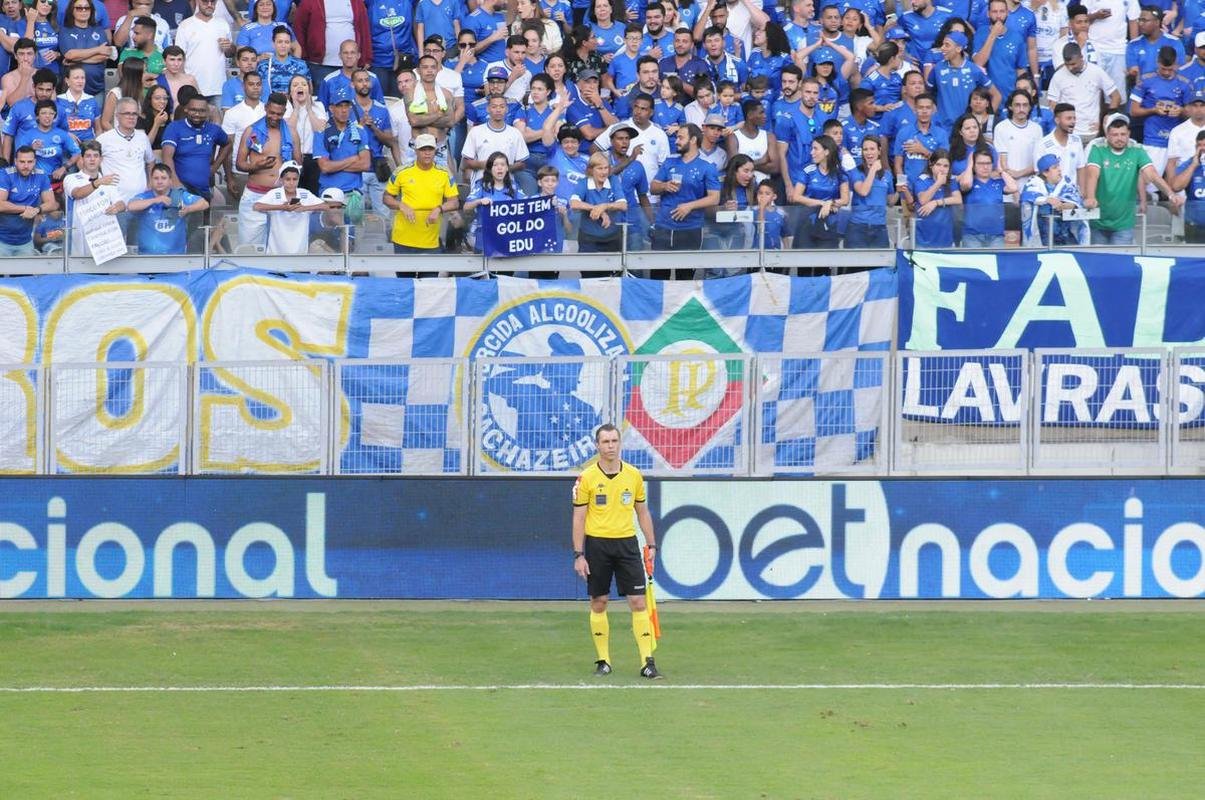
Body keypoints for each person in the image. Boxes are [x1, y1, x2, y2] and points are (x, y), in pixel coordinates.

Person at [571, 422, 661, 680]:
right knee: (599, 601)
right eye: (605, 442)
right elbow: (579, 518)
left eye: (614, 441)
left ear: (620, 444)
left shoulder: (633, 475)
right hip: (597, 546)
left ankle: (647, 662)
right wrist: (579, 555)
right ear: (597, 446)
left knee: (638, 601)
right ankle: (603, 661)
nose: (610, 446)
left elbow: (642, 512)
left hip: (627, 545)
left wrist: (651, 545)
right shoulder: (587, 478)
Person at [1083, 114, 1182, 243]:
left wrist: (1170, 194)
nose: (1119, 138)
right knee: (1098, 256)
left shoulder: (1137, 150)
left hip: (1124, 223)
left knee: (1122, 256)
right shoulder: (1097, 149)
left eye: (1123, 134)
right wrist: (1090, 197)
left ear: (1129, 134)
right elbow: (1092, 174)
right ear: (1107, 135)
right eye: (1115, 135)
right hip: (1097, 220)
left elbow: (1152, 174)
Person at [236, 91, 299, 246]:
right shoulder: (251, 131)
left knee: (281, 246)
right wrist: (256, 166)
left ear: (284, 112)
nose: (275, 117)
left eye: (279, 114)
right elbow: (239, 164)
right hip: (255, 194)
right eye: (271, 113)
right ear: (265, 108)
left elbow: (298, 164)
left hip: (281, 196)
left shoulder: (292, 133)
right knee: (249, 246)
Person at [382, 133, 460, 254]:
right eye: (423, 149)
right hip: (403, 239)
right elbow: (386, 197)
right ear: (416, 151)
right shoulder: (402, 172)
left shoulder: (444, 173)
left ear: (435, 151)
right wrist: (401, 205)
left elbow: (454, 202)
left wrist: (439, 209)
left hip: (431, 239)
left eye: (430, 149)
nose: (427, 153)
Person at [650, 122, 720, 253]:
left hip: (691, 228)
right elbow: (653, 188)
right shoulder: (669, 162)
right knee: (658, 266)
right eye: (677, 137)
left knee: (687, 267)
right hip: (663, 226)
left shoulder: (707, 166)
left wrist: (690, 206)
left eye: (680, 138)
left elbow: (714, 198)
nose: (676, 141)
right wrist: (664, 186)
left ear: (693, 140)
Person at [313, 85, 370, 224]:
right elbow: (325, 167)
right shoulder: (321, 132)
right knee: (331, 234)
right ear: (331, 108)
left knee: (353, 235)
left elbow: (365, 164)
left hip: (353, 193)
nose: (344, 110)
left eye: (347, 106)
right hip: (330, 194)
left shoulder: (359, 131)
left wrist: (335, 166)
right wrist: (353, 159)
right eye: (339, 106)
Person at [1046, 43, 1122, 143]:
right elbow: (1052, 104)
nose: (1070, 68)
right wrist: (1063, 124)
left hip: (1092, 133)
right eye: (1067, 64)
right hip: (1069, 135)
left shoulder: (1096, 71)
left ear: (1081, 57)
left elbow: (1116, 96)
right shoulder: (1058, 76)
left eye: (1073, 64)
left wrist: (1105, 119)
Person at [162, 92, 230, 204]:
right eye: (193, 110)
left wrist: (215, 167)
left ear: (207, 112)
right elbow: (167, 158)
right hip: (181, 189)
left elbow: (227, 144)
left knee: (202, 215)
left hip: (203, 190)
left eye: (202, 111)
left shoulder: (213, 130)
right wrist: (176, 184)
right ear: (186, 109)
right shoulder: (174, 127)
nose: (197, 114)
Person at [126, 162, 208, 253]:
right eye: (156, 178)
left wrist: (189, 208)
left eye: (163, 178)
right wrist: (155, 200)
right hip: (146, 256)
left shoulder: (179, 195)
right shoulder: (145, 196)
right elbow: (131, 206)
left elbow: (204, 203)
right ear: (151, 181)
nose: (159, 181)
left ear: (170, 181)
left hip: (176, 256)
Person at [63, 140, 125, 257]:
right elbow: (77, 193)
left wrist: (117, 207)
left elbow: (121, 203)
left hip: (104, 239)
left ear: (101, 159)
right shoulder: (71, 178)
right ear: (82, 158)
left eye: (96, 156)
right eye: (88, 156)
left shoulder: (108, 181)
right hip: (80, 238)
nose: (92, 159)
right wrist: (97, 183)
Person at [462, 94, 533, 192]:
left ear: (507, 109)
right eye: (494, 106)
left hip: (507, 188)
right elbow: (466, 162)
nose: (498, 110)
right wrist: (487, 165)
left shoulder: (515, 133)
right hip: (481, 187)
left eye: (502, 106)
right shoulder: (475, 132)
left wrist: (504, 168)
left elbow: (522, 163)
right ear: (488, 109)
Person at [253, 160, 328, 253]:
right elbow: (256, 206)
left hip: (300, 250)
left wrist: (304, 208)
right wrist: (282, 207)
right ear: (281, 180)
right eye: (288, 179)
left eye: (295, 179)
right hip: (276, 251)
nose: (291, 183)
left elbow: (326, 206)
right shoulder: (274, 193)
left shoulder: (305, 194)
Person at [791, 133, 849, 248]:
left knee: (826, 258)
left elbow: (845, 200)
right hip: (807, 222)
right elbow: (796, 196)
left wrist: (830, 202)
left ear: (826, 152)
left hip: (829, 223)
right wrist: (823, 203)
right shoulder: (808, 171)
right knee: (804, 258)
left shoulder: (840, 173)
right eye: (812, 148)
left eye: (815, 149)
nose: (811, 152)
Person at [1021, 152, 1091, 243]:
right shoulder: (1033, 183)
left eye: (1058, 166)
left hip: (1065, 237)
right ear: (1045, 172)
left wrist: (1070, 205)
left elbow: (1076, 200)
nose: (1059, 170)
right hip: (1042, 238)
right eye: (1055, 168)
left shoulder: (1066, 182)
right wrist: (1047, 200)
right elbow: (1028, 197)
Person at [463, 151, 525, 252]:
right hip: (484, 241)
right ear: (490, 168)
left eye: (502, 165)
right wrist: (479, 201)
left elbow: (528, 205)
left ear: (507, 168)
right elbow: (466, 207)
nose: (499, 168)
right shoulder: (481, 185)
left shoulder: (514, 186)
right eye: (495, 165)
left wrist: (547, 201)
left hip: (507, 240)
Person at [96, 96, 155, 203]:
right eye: (127, 113)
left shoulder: (143, 137)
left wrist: (150, 184)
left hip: (140, 200)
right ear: (117, 115)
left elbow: (150, 161)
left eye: (134, 114)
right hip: (114, 201)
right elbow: (86, 161)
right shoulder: (103, 139)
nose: (131, 117)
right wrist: (98, 182)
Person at [0, 145, 55, 256]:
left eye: (30, 162)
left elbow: (51, 204)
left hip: (25, 241)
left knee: (27, 268)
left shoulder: (41, 176)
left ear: (35, 162)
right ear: (15, 161)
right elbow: (0, 204)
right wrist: (25, 208)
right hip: (2, 241)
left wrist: (36, 210)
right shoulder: (5, 174)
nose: (26, 166)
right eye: (22, 162)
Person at [174, 0, 233, 102]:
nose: (209, 5)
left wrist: (228, 47)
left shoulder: (223, 24)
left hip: (218, 87)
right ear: (197, 1)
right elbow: (179, 58)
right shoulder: (185, 25)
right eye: (205, 1)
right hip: (192, 87)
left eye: (213, 2)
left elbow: (230, 54)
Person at [959, 146, 1020, 246]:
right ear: (974, 165)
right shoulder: (970, 182)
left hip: (996, 235)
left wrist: (1000, 170)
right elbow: (965, 184)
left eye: (988, 163)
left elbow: (1014, 187)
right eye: (980, 163)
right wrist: (969, 166)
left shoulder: (998, 183)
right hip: (972, 235)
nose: (985, 167)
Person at [570, 150, 627, 251]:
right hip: (588, 238)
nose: (604, 172)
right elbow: (574, 204)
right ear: (591, 170)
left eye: (606, 168)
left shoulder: (613, 180)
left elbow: (623, 205)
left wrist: (604, 206)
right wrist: (599, 210)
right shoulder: (584, 182)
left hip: (612, 237)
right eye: (600, 168)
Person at [845, 134, 895, 248]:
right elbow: (863, 191)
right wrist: (873, 169)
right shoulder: (856, 172)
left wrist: (901, 191)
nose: (868, 152)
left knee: (881, 259)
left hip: (880, 227)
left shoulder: (887, 174)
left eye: (872, 149)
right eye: (865, 149)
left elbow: (891, 201)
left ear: (879, 151)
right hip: (858, 226)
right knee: (856, 260)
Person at [910, 148, 961, 247]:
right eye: (938, 165)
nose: (942, 169)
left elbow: (958, 199)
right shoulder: (922, 180)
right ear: (931, 165)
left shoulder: (951, 180)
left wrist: (936, 203)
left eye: (945, 166)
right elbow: (923, 200)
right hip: (924, 237)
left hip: (945, 236)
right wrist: (938, 183)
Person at [58, 0, 110, 96]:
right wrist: (98, 49)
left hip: (96, 88)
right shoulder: (65, 31)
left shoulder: (99, 30)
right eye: (79, 8)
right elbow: (70, 54)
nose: (83, 10)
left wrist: (77, 59)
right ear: (72, 10)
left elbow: (104, 55)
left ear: (91, 10)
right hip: (72, 90)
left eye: (87, 8)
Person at [1037, 102, 1088, 187]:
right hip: (1052, 193)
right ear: (1057, 120)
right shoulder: (1043, 144)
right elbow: (1039, 174)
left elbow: (1081, 168)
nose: (1073, 122)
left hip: (1072, 193)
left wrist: (1082, 192)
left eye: (1074, 118)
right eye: (1068, 118)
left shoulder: (1077, 140)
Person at [257, 25, 311, 96]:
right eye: (280, 42)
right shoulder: (263, 66)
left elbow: (309, 90)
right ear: (273, 43)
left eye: (287, 42)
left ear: (290, 44)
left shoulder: (301, 65)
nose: (283, 45)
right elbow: (259, 91)